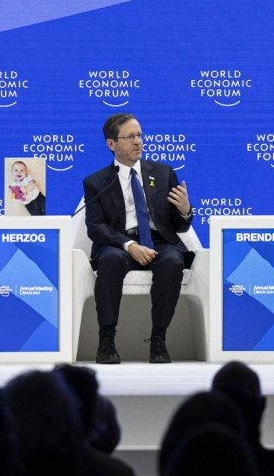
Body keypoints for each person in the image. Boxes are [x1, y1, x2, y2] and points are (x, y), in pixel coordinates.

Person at [82, 112, 194, 364]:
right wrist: (130, 245)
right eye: (130, 137)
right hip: (119, 244)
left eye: (140, 135)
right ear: (111, 144)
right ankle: (106, 342)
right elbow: (95, 227)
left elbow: (179, 225)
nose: (138, 142)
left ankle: (158, 341)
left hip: (160, 241)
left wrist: (186, 209)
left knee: (172, 262)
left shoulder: (164, 173)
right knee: (109, 261)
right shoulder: (96, 182)